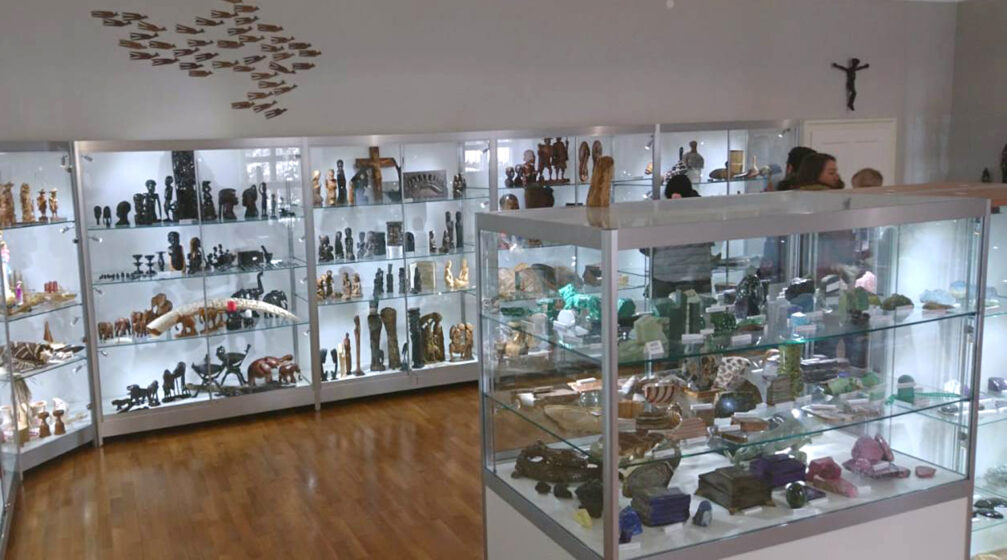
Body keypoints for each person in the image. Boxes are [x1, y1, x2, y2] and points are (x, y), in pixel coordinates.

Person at [644, 175, 714, 298]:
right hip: (696, 276)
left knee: (661, 309)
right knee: (696, 308)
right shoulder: (704, 209)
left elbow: (644, 246)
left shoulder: (657, 211)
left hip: (664, 276)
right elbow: (711, 240)